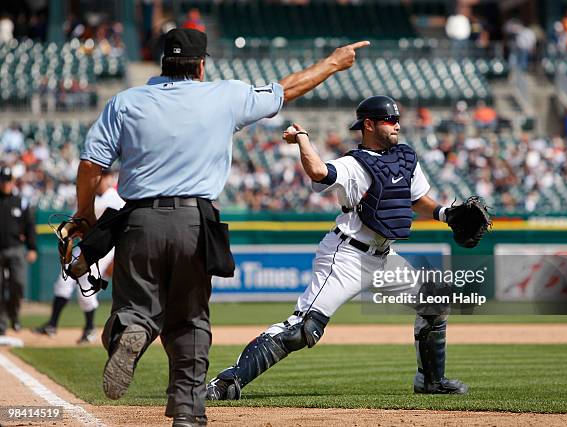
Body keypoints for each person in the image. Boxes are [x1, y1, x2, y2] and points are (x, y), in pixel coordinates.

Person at [75, 28, 369, 427]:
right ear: (200, 65)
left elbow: (92, 164)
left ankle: (134, 331)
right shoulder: (225, 95)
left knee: (135, 311)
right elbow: (287, 89)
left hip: (138, 221)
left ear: (163, 63)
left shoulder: (125, 102)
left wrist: (85, 216)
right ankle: (187, 411)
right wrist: (334, 62)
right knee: (190, 320)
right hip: (195, 222)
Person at [205, 95, 469, 402]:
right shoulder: (352, 163)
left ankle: (430, 381)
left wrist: (445, 214)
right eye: (389, 120)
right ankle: (228, 381)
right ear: (368, 125)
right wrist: (303, 138)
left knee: (435, 304)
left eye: (397, 119)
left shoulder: (405, 158)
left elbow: (416, 200)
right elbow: (318, 172)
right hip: (347, 257)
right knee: (304, 328)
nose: (396, 125)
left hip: (385, 259)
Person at [32, 169, 124, 344]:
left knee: (85, 290)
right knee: (62, 282)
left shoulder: (114, 198)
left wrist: (116, 258)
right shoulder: (87, 197)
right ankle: (52, 324)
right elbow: (76, 222)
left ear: (108, 178)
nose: (101, 179)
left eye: (104, 176)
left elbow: (122, 229)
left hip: (103, 251)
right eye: (100, 176)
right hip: (83, 246)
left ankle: (89, 329)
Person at [0, 166, 37, 335]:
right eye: (2, 181)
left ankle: (14, 317)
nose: (5, 184)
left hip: (16, 249)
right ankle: (1, 323)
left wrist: (32, 247)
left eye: (7, 181)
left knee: (18, 284)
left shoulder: (20, 201)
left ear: (12, 182)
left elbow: (30, 225)